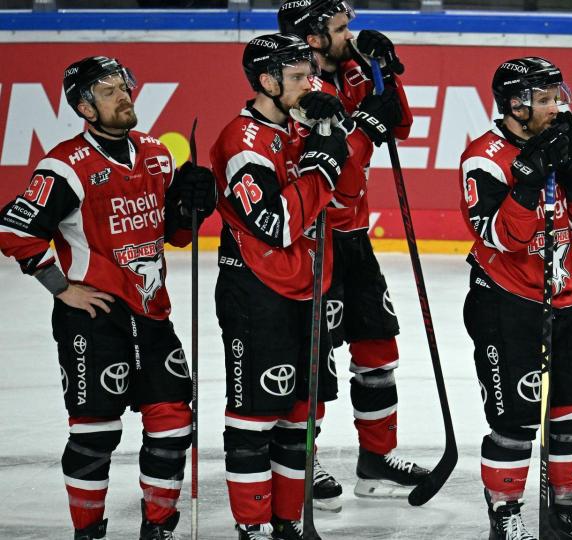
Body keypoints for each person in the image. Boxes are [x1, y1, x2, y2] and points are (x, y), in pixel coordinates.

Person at [0, 56, 216, 540]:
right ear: (85, 107)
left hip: (152, 312)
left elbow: (175, 236)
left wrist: (193, 207)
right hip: (94, 318)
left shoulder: (156, 154)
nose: (124, 96)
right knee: (94, 434)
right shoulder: (65, 165)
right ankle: (88, 533)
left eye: (124, 86)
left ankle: (157, 528)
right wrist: (62, 288)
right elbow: (14, 230)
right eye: (109, 91)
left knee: (173, 423)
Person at [459, 56, 572, 540]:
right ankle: (505, 514)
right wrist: (528, 181)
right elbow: (503, 238)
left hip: (561, 299)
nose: (557, 107)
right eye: (546, 99)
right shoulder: (484, 157)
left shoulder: (561, 142)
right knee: (516, 418)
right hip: (504, 303)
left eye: (558, 97)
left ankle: (565, 509)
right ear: (516, 105)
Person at [276, 0, 430, 509]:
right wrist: (363, 124)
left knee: (378, 345)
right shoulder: (295, 92)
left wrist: (386, 72)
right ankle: (301, 461)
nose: (351, 35)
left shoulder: (353, 70)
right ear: (312, 37)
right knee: (313, 358)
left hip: (354, 235)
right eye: (341, 28)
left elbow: (400, 125)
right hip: (312, 239)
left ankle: (376, 459)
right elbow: (336, 176)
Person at [209, 33, 353, 539]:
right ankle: (253, 527)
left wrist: (332, 132)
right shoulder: (241, 143)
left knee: (300, 419)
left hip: (307, 288)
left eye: (310, 74)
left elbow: (343, 202)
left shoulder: (299, 125)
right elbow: (276, 224)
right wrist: (322, 167)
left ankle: (288, 522)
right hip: (257, 292)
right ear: (267, 82)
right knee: (255, 419)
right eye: (296, 77)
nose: (310, 84)